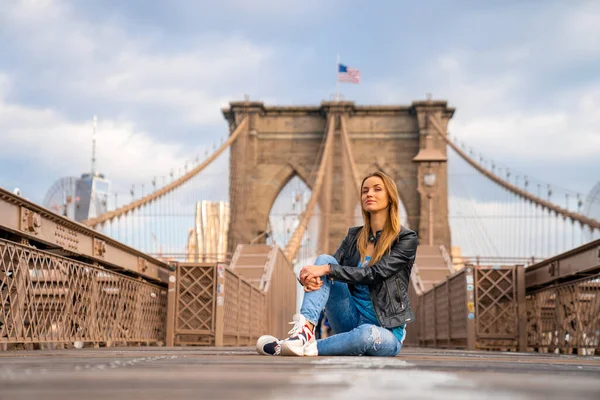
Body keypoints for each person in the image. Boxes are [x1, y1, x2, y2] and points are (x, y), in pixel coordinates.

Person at [257, 171, 419, 357]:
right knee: (325, 259)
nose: (369, 194)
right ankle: (304, 332)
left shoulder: (406, 239)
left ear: (390, 197)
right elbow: (330, 271)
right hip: (348, 317)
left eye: (377, 189)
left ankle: (299, 347)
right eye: (365, 190)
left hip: (385, 331)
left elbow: (375, 273)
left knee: (366, 334)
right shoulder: (354, 237)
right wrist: (307, 278)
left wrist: (326, 270)